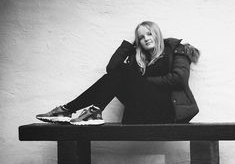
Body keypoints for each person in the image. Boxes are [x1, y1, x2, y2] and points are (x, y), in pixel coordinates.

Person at [36, 21, 200, 125]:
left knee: (123, 72)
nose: (146, 39)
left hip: (169, 111)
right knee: (119, 72)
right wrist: (129, 45)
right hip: (144, 109)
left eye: (149, 34)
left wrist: (146, 81)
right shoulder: (140, 58)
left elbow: (179, 79)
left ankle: (70, 109)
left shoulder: (176, 49)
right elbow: (112, 70)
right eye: (141, 37)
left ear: (157, 34)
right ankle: (84, 110)